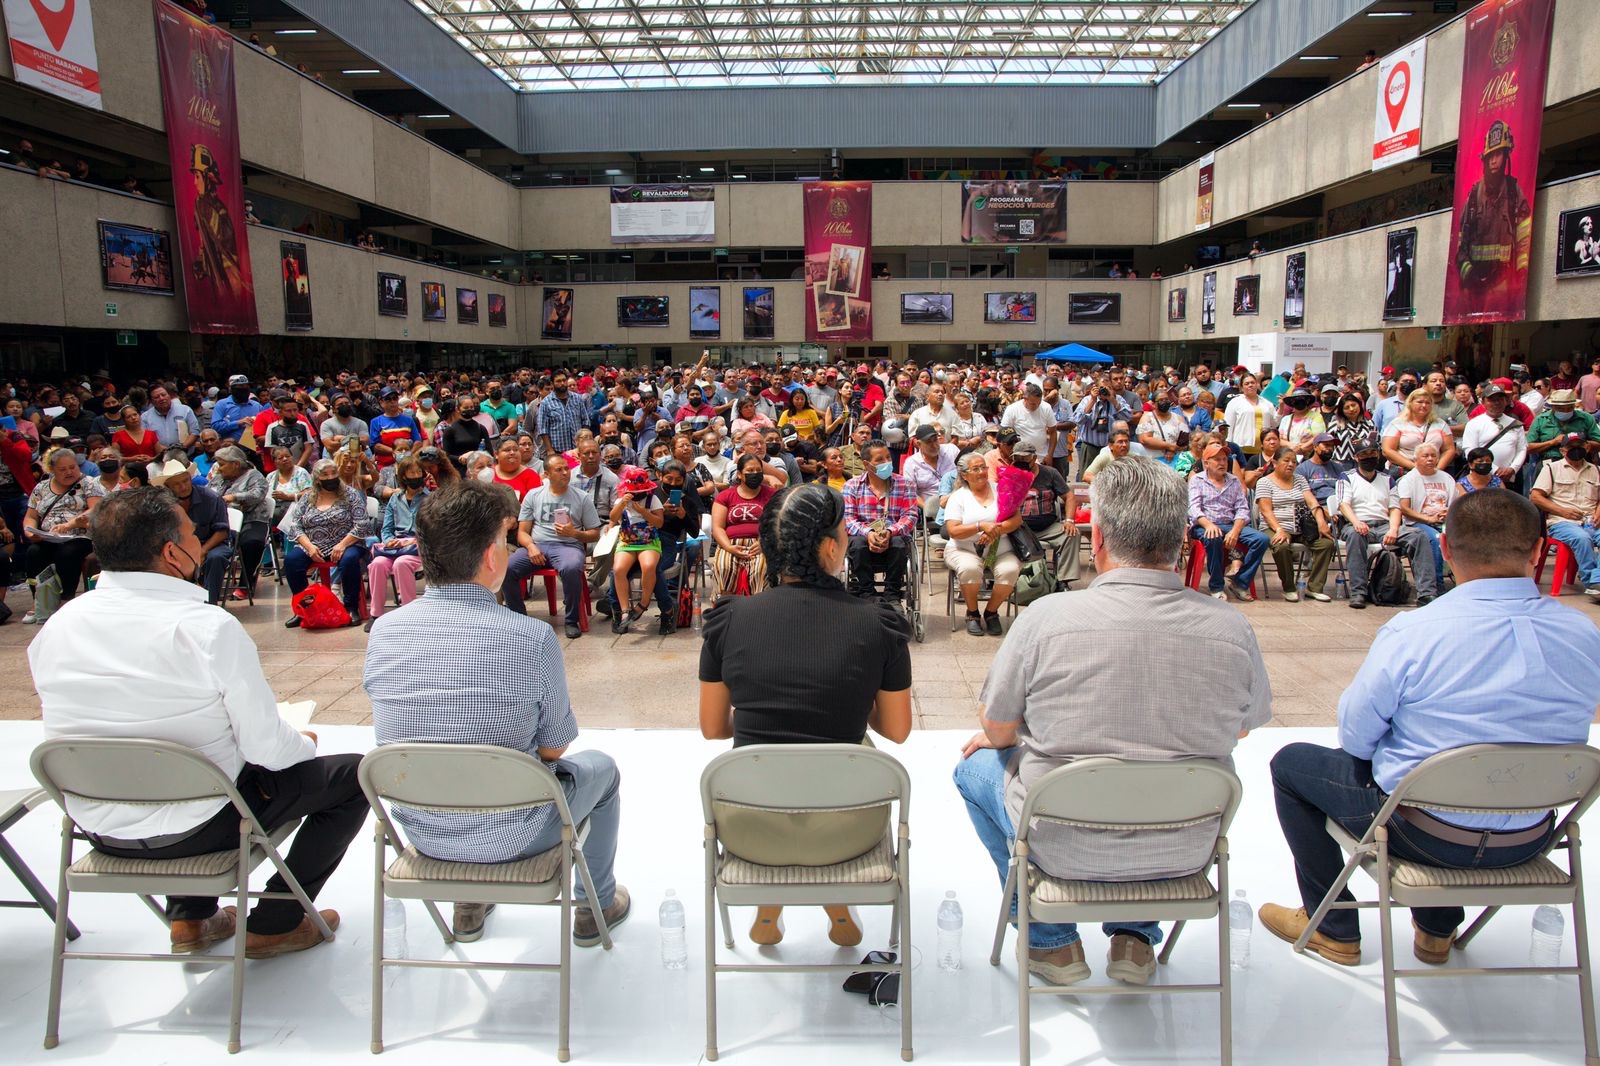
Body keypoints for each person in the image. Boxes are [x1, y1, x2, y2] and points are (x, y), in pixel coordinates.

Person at [954, 456, 1271, 987]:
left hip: (1062, 841)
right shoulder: (1231, 628)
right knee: (1161, 770)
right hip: (1184, 845)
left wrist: (1012, 737)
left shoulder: (1045, 620)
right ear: (1183, 541)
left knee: (973, 768)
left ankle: (1051, 942)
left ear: (1095, 537)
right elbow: (1241, 728)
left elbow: (1000, 729)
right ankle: (1134, 937)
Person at [1260, 489, 1600, 967]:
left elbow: (1356, 738)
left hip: (1423, 835)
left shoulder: (1414, 631)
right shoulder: (1584, 633)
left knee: (1291, 765)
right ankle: (1436, 930)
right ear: (1540, 552)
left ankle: (1333, 926)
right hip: (1533, 834)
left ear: (1443, 549)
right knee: (1438, 782)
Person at [33, 487, 360, 957]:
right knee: (350, 776)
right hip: (200, 825)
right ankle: (277, 921)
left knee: (186, 757)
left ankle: (190, 919)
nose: (198, 538)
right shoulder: (206, 627)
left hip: (99, 824)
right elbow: (267, 749)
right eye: (192, 533)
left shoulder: (59, 624)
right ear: (172, 552)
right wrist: (302, 742)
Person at [365, 479, 628, 946]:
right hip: (516, 834)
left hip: (424, 832)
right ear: (492, 557)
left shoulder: (383, 632)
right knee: (602, 771)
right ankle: (595, 906)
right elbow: (553, 747)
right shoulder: (528, 637)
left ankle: (468, 902)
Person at [698, 483, 911, 946]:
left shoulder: (728, 619)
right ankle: (835, 906)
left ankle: (770, 908)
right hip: (845, 829)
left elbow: (715, 729)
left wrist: (767, 718)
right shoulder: (877, 622)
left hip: (749, 827)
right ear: (833, 547)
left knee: (764, 756)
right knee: (859, 748)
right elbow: (896, 730)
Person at [503, 452, 602, 639]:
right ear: (547, 474)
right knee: (507, 569)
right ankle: (520, 619)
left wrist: (575, 534)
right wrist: (531, 547)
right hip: (538, 544)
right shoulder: (534, 495)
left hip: (568, 546)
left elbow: (595, 533)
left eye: (566, 469)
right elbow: (522, 532)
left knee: (571, 568)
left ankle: (571, 620)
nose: (565, 472)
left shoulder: (581, 497)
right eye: (559, 470)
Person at [1336, 435, 1436, 609]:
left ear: (1379, 454)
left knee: (1418, 536)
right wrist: (1356, 522)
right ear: (1356, 457)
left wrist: (1393, 529)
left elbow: (1395, 508)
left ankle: (1427, 593)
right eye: (1364, 454)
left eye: (1372, 453)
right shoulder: (1347, 477)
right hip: (1357, 523)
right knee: (1354, 535)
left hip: (1384, 525)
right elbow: (1343, 505)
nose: (1369, 457)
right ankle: (1358, 592)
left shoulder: (1388, 479)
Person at [280, 458, 371, 628]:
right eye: (325, 475)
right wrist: (309, 546)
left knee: (349, 560)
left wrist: (342, 544)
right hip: (313, 545)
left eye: (333, 473)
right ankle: (303, 609)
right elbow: (295, 526)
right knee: (292, 561)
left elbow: (363, 523)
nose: (330, 477)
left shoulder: (350, 494)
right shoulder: (307, 498)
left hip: (347, 543)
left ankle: (351, 607)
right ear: (316, 479)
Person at [944, 451, 1021, 636]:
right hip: (964, 549)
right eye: (976, 469)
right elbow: (953, 530)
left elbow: (1017, 519)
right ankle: (972, 613)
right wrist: (980, 526)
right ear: (964, 474)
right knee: (970, 568)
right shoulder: (958, 497)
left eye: (984, 467)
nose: (982, 472)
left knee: (1009, 570)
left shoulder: (1001, 489)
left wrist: (995, 531)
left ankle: (991, 612)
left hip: (1001, 548)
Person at [21, 449, 105, 617]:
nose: (69, 472)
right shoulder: (42, 487)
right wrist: (30, 532)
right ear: (53, 470)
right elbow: (30, 516)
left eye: (72, 467)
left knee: (68, 552)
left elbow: (95, 508)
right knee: (34, 553)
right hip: (49, 536)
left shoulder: (88, 483)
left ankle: (66, 598)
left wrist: (70, 524)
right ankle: (39, 600)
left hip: (79, 535)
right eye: (63, 469)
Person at [1188, 442, 1269, 601]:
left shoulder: (1234, 481)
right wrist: (1209, 525)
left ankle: (1240, 582)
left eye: (1224, 459)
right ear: (1206, 463)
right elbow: (1194, 509)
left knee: (1262, 539)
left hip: (1230, 524)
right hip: (1204, 525)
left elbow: (1242, 509)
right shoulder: (1197, 480)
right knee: (1213, 537)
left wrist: (1235, 530)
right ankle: (1216, 586)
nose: (1222, 463)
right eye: (1217, 459)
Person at [1255, 446, 1335, 601]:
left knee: (1326, 544)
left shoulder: (1299, 480)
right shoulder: (1264, 482)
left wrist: (1321, 522)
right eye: (1286, 461)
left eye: (1294, 462)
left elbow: (1312, 502)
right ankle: (1289, 587)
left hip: (1301, 527)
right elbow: (1266, 511)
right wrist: (1279, 529)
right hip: (1274, 526)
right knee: (1282, 545)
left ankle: (1314, 587)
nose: (1291, 464)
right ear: (1275, 463)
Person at [841, 440, 917, 601]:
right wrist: (868, 533)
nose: (887, 463)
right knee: (857, 544)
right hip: (863, 539)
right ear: (867, 464)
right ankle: (867, 593)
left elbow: (910, 516)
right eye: (880, 460)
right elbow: (848, 519)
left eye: (888, 457)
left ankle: (892, 594)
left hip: (894, 537)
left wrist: (890, 531)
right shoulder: (852, 486)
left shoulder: (905, 484)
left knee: (898, 543)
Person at [1530, 432, 1600, 599]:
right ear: (1563, 451)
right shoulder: (1551, 469)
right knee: (1582, 538)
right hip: (1562, 521)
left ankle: (1596, 581)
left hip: (1591, 520)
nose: (1576, 450)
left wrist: (1598, 512)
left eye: (1580, 446)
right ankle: (1593, 581)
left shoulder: (1596, 470)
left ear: (1587, 447)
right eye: (1571, 447)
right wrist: (1562, 511)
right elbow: (1536, 496)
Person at [365, 455, 429, 630]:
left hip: (419, 546)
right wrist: (389, 541)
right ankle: (376, 614)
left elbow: (432, 531)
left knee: (402, 563)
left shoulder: (430, 498)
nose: (415, 476)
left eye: (418, 472)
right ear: (403, 477)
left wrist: (409, 541)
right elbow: (386, 527)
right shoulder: (395, 499)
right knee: (377, 564)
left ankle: (408, 612)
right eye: (411, 473)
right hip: (395, 546)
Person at [1010, 440, 1081, 590]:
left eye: (1025, 458)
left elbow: (1069, 497)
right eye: (1018, 458)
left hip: (1047, 526)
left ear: (1034, 458)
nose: (1021, 461)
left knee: (1071, 534)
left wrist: (1069, 520)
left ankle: (1063, 580)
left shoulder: (1050, 473)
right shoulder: (1010, 474)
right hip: (1019, 528)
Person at [209, 445, 270, 601]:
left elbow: (258, 494)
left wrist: (234, 497)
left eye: (222, 464)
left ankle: (246, 583)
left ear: (235, 464)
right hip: (222, 521)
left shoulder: (254, 475)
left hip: (252, 519)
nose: (218, 469)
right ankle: (208, 585)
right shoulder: (218, 479)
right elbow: (207, 494)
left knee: (252, 542)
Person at [608, 466, 665, 633]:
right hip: (627, 542)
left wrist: (643, 512)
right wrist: (622, 504)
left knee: (648, 566)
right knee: (618, 569)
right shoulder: (622, 500)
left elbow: (659, 523)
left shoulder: (652, 500)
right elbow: (612, 518)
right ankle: (625, 610)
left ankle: (644, 602)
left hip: (648, 541)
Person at [711, 453, 774, 596]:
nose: (755, 474)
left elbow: (777, 524)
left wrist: (764, 542)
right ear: (739, 474)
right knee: (723, 566)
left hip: (761, 543)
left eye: (758, 470)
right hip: (730, 543)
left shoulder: (772, 495)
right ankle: (726, 609)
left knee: (761, 569)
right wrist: (729, 547)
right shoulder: (726, 496)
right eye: (750, 471)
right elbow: (717, 527)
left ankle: (757, 611)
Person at [1395, 441, 1456, 585]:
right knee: (1436, 539)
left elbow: (1455, 503)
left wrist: (1448, 512)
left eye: (1433, 456)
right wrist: (1428, 519)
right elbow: (1404, 508)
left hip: (1445, 521)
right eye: (1425, 456)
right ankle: (1437, 585)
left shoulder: (1446, 478)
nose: (1430, 459)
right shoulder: (1409, 480)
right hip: (1418, 523)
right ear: (1416, 459)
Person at [1459, 382, 1526, 484]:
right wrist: (1495, 470)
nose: (1496, 403)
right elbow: (1470, 450)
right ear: (1483, 402)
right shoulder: (1474, 424)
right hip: (1481, 477)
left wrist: (1512, 469)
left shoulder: (1515, 424)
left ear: (1506, 401)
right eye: (1492, 400)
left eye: (1500, 399)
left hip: (1510, 478)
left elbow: (1522, 448)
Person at [1383, 387, 1456, 477]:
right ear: (1410, 403)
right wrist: (1415, 467)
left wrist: (1437, 470)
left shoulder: (1440, 424)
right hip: (1404, 472)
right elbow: (1387, 450)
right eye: (1420, 402)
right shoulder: (1398, 423)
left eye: (1427, 403)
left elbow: (1449, 449)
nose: (1424, 405)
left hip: (1433, 472)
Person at [1222, 373, 1277, 468]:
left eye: (1252, 382)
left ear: (1257, 384)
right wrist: (1228, 446)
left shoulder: (1267, 403)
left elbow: (1274, 424)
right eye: (1247, 383)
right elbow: (1228, 426)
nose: (1250, 385)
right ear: (1242, 387)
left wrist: (1281, 408)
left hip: (1262, 450)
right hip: (1242, 450)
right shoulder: (1235, 403)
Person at [536, 370, 590, 457]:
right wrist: (550, 450)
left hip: (578, 450)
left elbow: (585, 421)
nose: (562, 383)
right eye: (558, 381)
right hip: (558, 451)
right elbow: (543, 429)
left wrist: (585, 442)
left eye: (564, 380)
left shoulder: (577, 398)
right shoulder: (546, 403)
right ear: (553, 383)